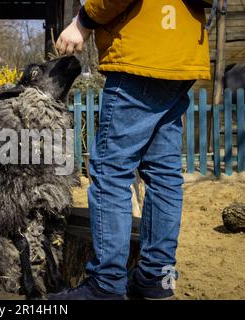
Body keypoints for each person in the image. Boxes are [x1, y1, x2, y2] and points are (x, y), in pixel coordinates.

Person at [49, 0, 210, 300]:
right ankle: (156, 276)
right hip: (183, 52)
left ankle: (107, 283)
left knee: (111, 169)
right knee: (164, 174)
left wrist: (83, 21)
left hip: (142, 52)